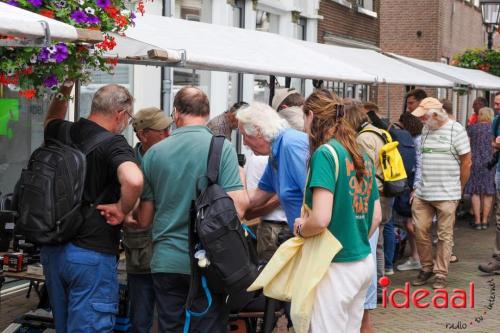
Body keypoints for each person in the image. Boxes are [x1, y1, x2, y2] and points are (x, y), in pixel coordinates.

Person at [123, 86, 247, 332]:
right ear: (207, 112)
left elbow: (145, 219)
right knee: (209, 325)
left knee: (171, 326)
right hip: (211, 260)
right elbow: (239, 208)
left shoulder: (154, 153)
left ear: (177, 113)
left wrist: (125, 215)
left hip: (166, 261)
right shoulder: (221, 148)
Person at [41, 83, 144, 332]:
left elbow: (52, 117)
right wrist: (121, 208)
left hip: (53, 249)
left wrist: (65, 88)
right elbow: (133, 179)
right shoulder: (115, 144)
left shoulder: (61, 131)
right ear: (120, 114)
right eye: (129, 118)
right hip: (91, 254)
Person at [294, 90, 381, 332]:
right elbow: (376, 216)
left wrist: (301, 228)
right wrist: (354, 234)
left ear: (311, 115)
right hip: (362, 261)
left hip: (334, 265)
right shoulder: (361, 154)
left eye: (304, 118)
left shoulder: (325, 154)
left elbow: (321, 219)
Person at [410, 97, 471, 289]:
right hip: (424, 192)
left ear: (435, 115)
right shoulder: (426, 129)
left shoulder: (456, 130)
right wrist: (417, 186)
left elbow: (466, 162)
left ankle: (440, 273)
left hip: (447, 193)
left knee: (445, 236)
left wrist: (458, 189)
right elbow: (423, 159)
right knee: (419, 230)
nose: (420, 120)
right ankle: (426, 267)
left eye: (423, 117)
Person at [124, 107, 172, 333]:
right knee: (141, 317)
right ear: (142, 134)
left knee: (169, 316)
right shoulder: (127, 162)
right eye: (161, 130)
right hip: (140, 249)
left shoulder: (172, 157)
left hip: (168, 247)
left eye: (169, 128)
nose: (168, 134)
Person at [343, 100, 394, 295]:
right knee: (380, 238)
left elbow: (365, 169)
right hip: (388, 189)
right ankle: (381, 281)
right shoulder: (380, 131)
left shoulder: (363, 139)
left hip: (377, 192)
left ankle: (377, 286)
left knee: (374, 240)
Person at [236, 102, 309, 230]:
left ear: (258, 131)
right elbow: (257, 197)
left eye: (245, 135)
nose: (244, 143)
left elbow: (314, 197)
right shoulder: (275, 154)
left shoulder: (290, 146)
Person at [396, 112, 424, 272]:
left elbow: (420, 163)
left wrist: (416, 187)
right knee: (410, 223)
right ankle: (417, 257)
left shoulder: (417, 141)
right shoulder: (416, 139)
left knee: (412, 223)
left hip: (416, 185)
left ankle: (419, 257)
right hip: (415, 184)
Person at [478, 92, 500, 274]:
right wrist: (496, 144)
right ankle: (497, 259)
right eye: (495, 103)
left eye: (499, 103)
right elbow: (493, 143)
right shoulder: (497, 121)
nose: (497, 106)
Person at [464, 107, 496, 230]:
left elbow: (466, 147)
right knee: (488, 192)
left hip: (475, 162)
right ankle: (485, 221)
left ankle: (477, 221)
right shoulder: (493, 130)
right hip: (490, 162)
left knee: (475, 192)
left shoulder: (472, 129)